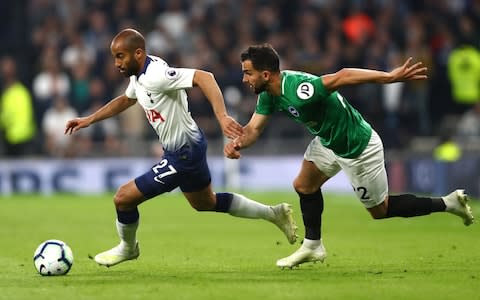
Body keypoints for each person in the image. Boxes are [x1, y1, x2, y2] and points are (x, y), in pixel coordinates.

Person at [224, 44, 474, 269]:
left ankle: (448, 203)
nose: (245, 78)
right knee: (304, 185)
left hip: (358, 147)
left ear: (266, 75)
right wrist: (237, 143)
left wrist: (389, 77)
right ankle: (313, 246)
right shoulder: (268, 95)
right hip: (328, 141)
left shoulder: (300, 89)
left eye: (248, 73)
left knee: (380, 210)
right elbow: (254, 130)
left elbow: (342, 75)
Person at [65, 29, 297, 267]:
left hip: (183, 153)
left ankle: (128, 248)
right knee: (205, 203)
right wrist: (89, 120)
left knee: (123, 198)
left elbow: (204, 77)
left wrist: (222, 116)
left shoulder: (157, 74)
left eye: (120, 56)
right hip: (188, 147)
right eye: (114, 57)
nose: (116, 63)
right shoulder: (139, 76)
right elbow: (127, 99)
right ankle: (274, 214)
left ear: (138, 53)